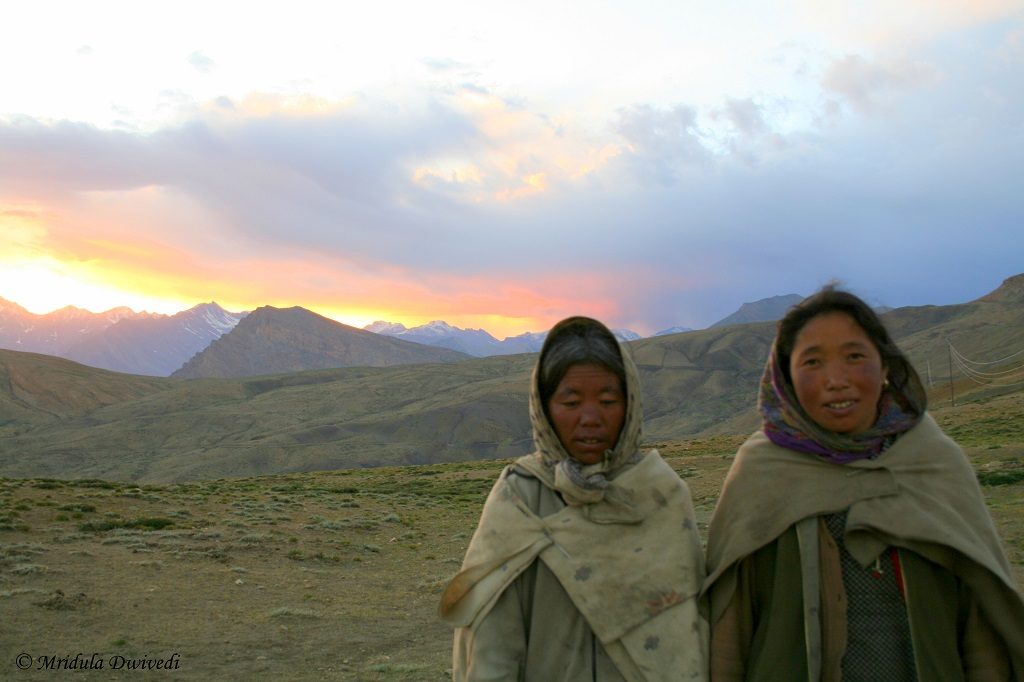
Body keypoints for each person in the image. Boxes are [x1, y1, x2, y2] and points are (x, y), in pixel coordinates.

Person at [702, 285, 1024, 681]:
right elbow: (728, 632)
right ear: (784, 376)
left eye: (855, 356)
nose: (836, 380)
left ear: (886, 365)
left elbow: (980, 620)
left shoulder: (934, 462)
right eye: (813, 362)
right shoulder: (761, 470)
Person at [440, 316, 708, 681]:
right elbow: (492, 642)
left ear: (629, 405)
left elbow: (688, 626)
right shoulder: (520, 498)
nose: (591, 418)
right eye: (571, 402)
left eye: (608, 400)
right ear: (544, 408)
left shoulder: (661, 493)